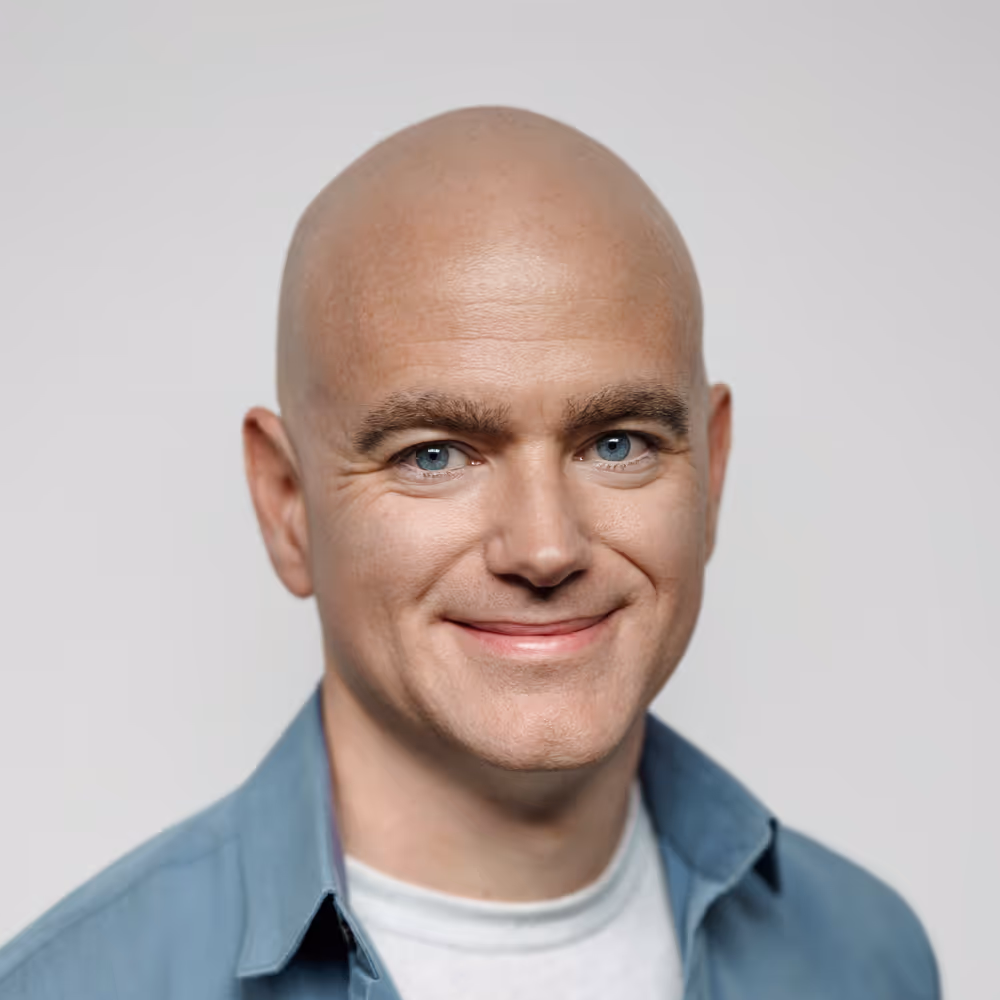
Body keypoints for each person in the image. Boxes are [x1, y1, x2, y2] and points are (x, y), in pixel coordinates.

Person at [0, 106, 940, 1000]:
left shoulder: (864, 957)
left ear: (712, 475)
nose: (546, 547)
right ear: (287, 507)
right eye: (434, 456)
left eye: (617, 444)